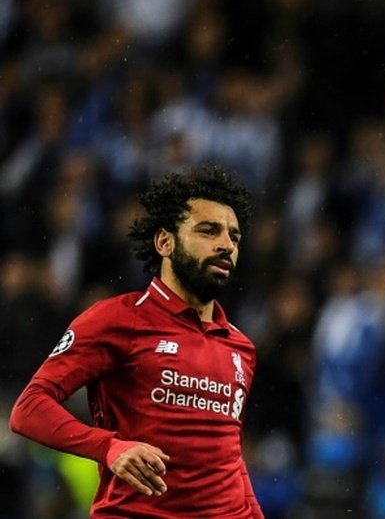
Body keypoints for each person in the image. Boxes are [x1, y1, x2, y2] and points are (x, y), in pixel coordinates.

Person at [8, 164, 264, 518]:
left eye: (234, 237)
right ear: (165, 242)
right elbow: (29, 409)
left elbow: (228, 457)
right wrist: (109, 448)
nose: (226, 245)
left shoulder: (241, 348)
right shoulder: (117, 319)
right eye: (209, 231)